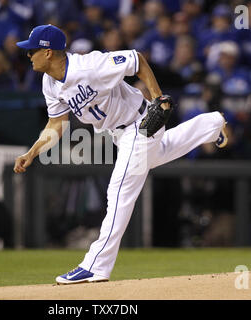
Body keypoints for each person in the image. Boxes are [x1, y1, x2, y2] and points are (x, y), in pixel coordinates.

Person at [13, 24, 228, 284]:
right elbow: (57, 124)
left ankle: (96, 265)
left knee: (119, 191)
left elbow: (136, 59)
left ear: (48, 53)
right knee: (162, 151)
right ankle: (211, 124)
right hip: (120, 134)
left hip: (142, 123)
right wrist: (32, 153)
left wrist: (158, 97)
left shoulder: (90, 66)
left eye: (32, 50)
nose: (28, 55)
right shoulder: (50, 83)